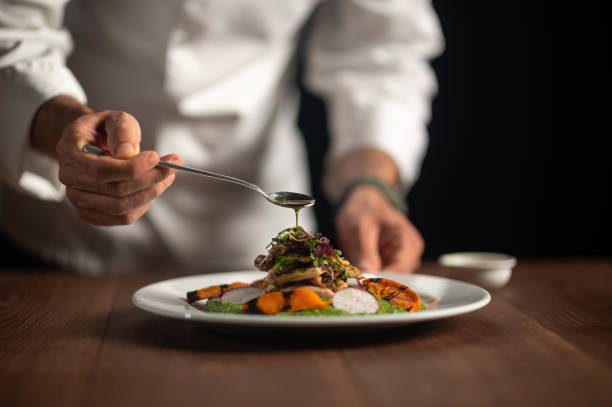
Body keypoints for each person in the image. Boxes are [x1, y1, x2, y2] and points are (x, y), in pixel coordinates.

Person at [0, 0, 443, 274]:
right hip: (61, 234)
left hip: (247, 233)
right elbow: (13, 31)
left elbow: (379, 59)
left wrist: (369, 186)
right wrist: (63, 126)